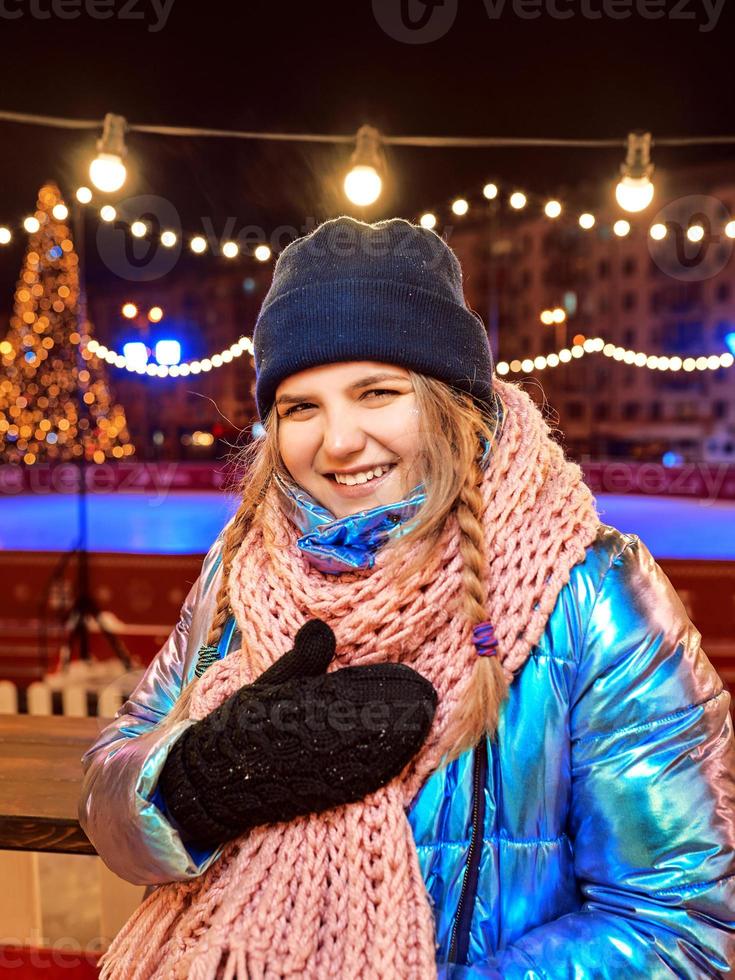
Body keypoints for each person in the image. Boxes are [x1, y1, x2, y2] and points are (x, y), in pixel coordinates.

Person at [79, 216, 735, 980]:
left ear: (452, 401)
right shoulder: (237, 571)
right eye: (300, 406)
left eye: (377, 392)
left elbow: (682, 923)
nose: (338, 440)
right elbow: (107, 788)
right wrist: (189, 783)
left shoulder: (590, 590)